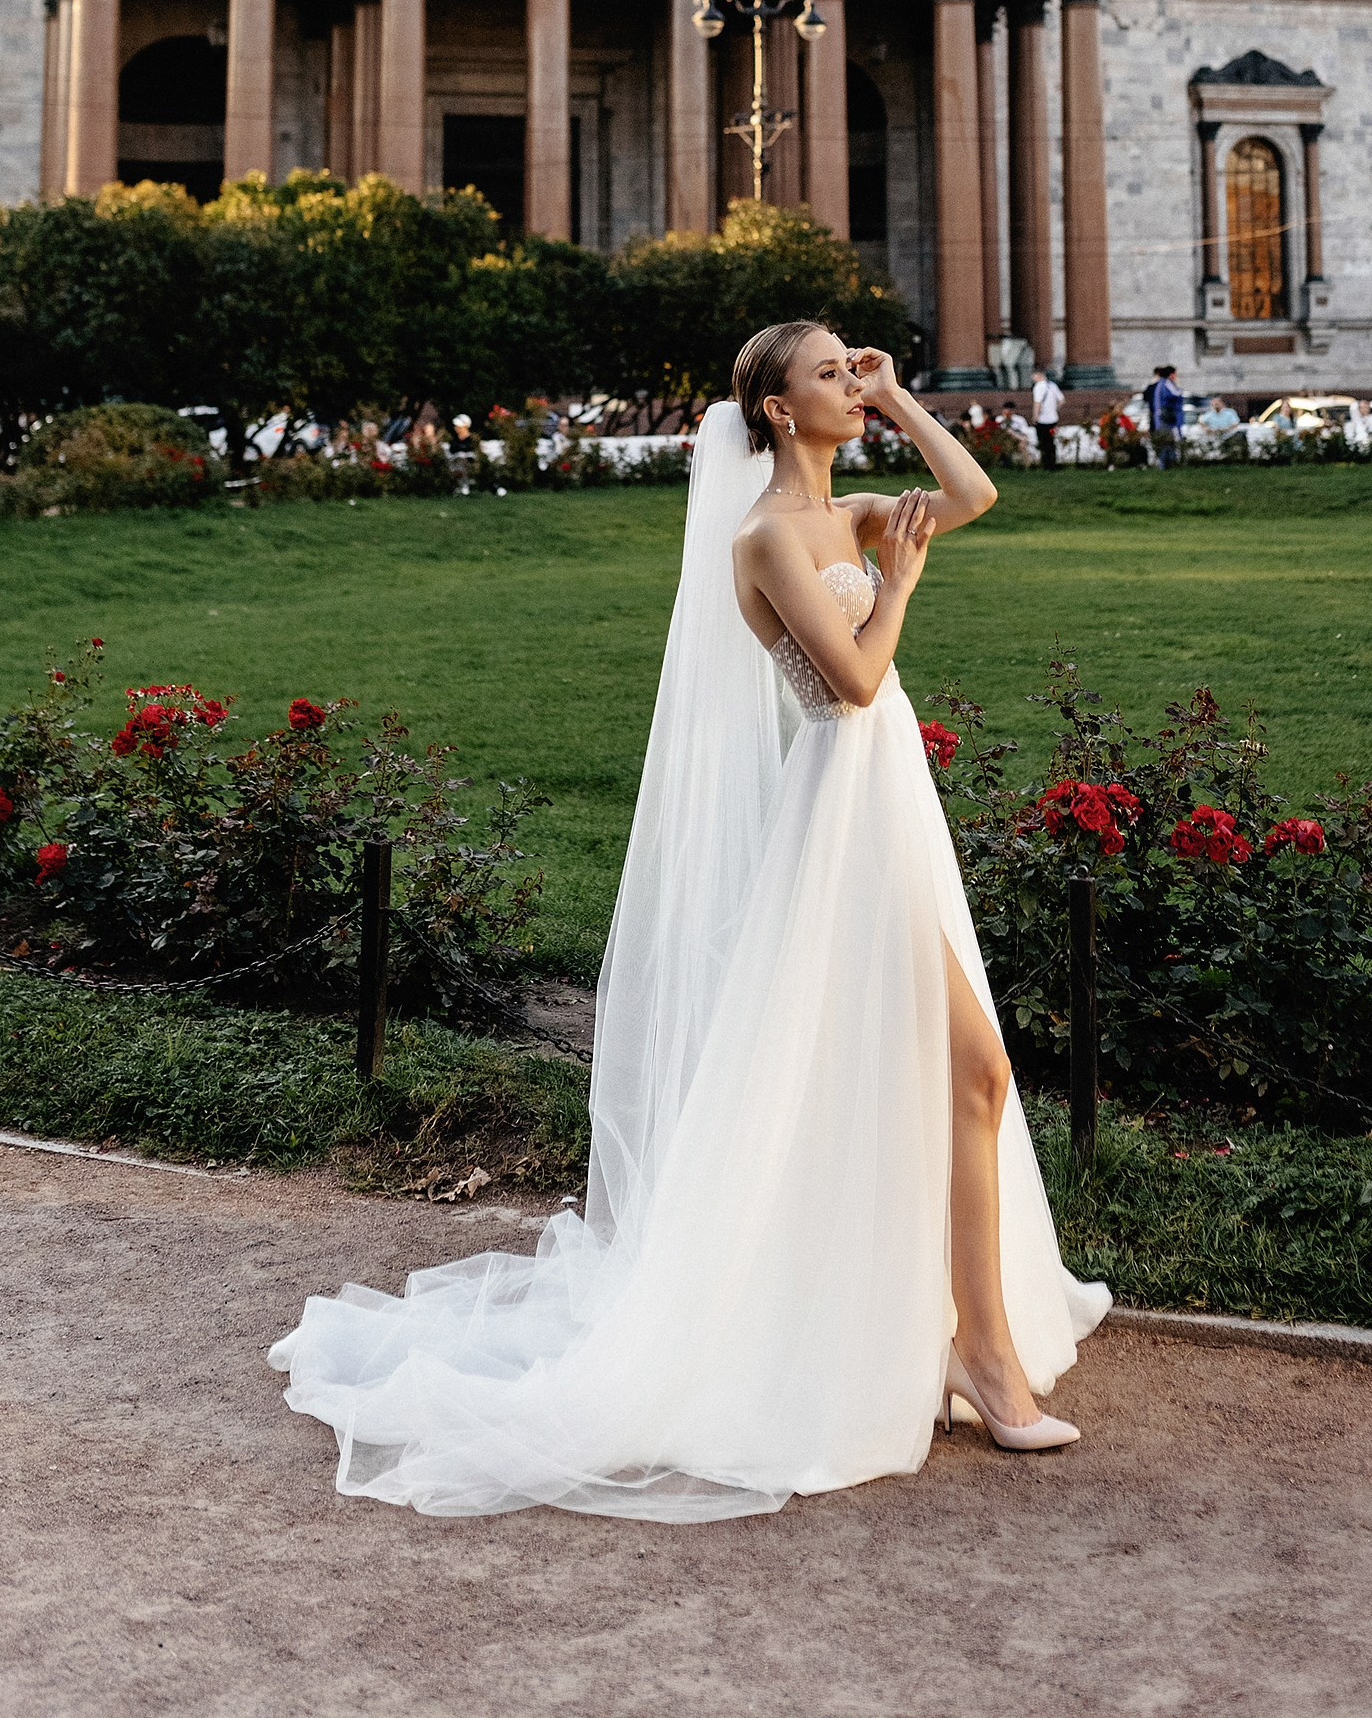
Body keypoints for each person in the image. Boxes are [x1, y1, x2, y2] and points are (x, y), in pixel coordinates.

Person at [268, 323, 1106, 1519]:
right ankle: (976, 1353)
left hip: (889, 804)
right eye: (830, 375)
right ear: (773, 411)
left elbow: (970, 492)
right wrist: (903, 587)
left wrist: (902, 394)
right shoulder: (765, 536)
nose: (848, 388)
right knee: (969, 1073)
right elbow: (858, 683)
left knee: (966, 1079)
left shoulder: (846, 511)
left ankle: (973, 1340)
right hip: (840, 808)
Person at [1145, 364, 1185, 469]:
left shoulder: (1159, 384)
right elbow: (1176, 394)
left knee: (1164, 441)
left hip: (1161, 418)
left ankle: (1165, 464)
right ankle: (1169, 464)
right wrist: (1177, 385)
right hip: (1167, 417)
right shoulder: (1166, 383)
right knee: (1167, 441)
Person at [1030, 364, 1063, 472]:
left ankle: (1046, 465)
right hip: (1053, 419)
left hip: (1043, 420)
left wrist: (1035, 416)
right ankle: (1053, 463)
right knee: (1051, 442)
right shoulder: (1052, 385)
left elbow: (1037, 404)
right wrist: (1054, 409)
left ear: (1039, 375)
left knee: (1043, 443)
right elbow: (1061, 400)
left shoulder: (1039, 387)